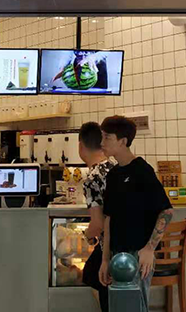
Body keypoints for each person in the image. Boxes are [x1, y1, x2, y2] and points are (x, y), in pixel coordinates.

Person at [98, 116, 173, 312]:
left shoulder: (142, 171)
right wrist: (105, 260)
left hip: (138, 254)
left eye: (107, 138)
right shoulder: (113, 175)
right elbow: (108, 219)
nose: (101, 143)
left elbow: (166, 211)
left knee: (137, 306)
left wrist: (149, 249)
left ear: (123, 141)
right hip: (116, 254)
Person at [78, 122, 116, 312]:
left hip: (111, 247)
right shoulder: (115, 167)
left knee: (93, 276)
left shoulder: (92, 178)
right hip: (130, 245)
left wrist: (85, 236)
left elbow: (98, 225)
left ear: (80, 146)